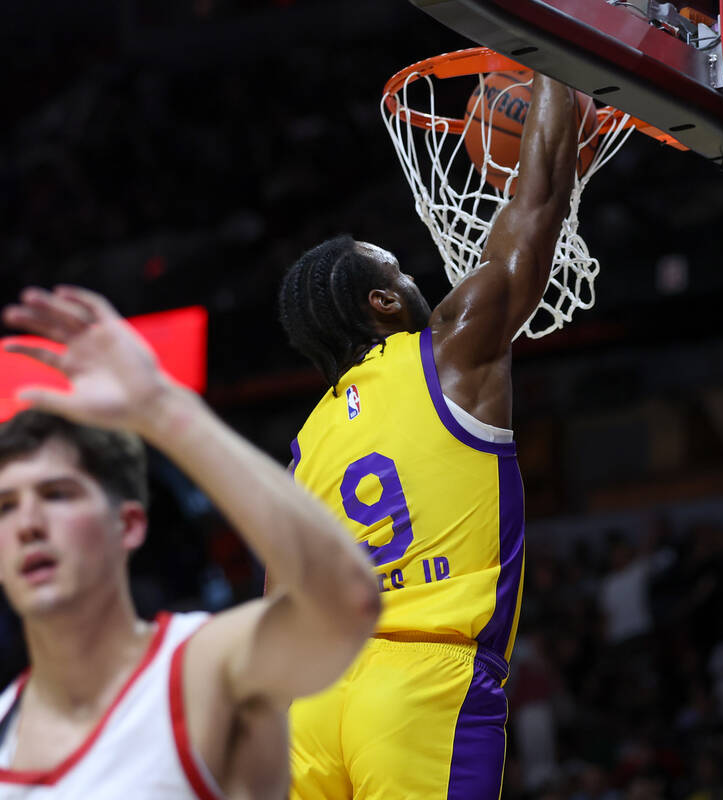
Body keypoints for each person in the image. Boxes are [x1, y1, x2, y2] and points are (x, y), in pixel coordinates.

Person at [0, 285, 380, 799]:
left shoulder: (205, 670)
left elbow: (348, 598)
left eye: (57, 495)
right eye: (6, 506)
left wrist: (161, 409)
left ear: (130, 525)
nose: (28, 522)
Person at [277, 74, 579, 798]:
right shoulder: (449, 350)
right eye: (399, 271)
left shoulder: (303, 445)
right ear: (381, 302)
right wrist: (565, 69)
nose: (417, 279)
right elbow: (533, 212)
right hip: (418, 686)